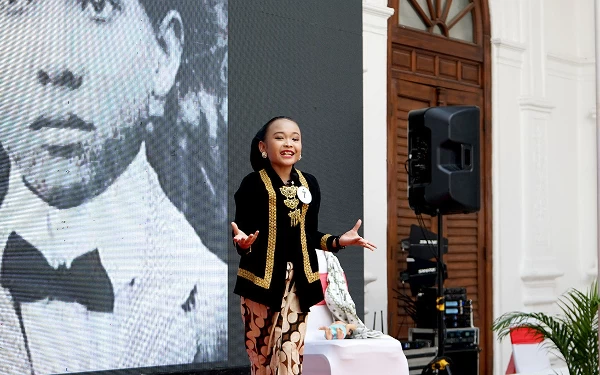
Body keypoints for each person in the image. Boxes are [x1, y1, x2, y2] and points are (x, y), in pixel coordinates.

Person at [0, 1, 227, 374]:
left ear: (164, 55)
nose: (57, 63)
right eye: (17, 4)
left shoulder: (220, 309)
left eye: (98, 6)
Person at [231, 116, 376, 375]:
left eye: (295, 138)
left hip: (300, 283)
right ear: (263, 148)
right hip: (260, 285)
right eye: (280, 137)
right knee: (262, 363)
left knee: (289, 358)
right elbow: (242, 233)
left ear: (301, 147)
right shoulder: (252, 184)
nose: (289, 143)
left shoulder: (309, 184)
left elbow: (309, 234)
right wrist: (243, 243)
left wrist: (337, 241)